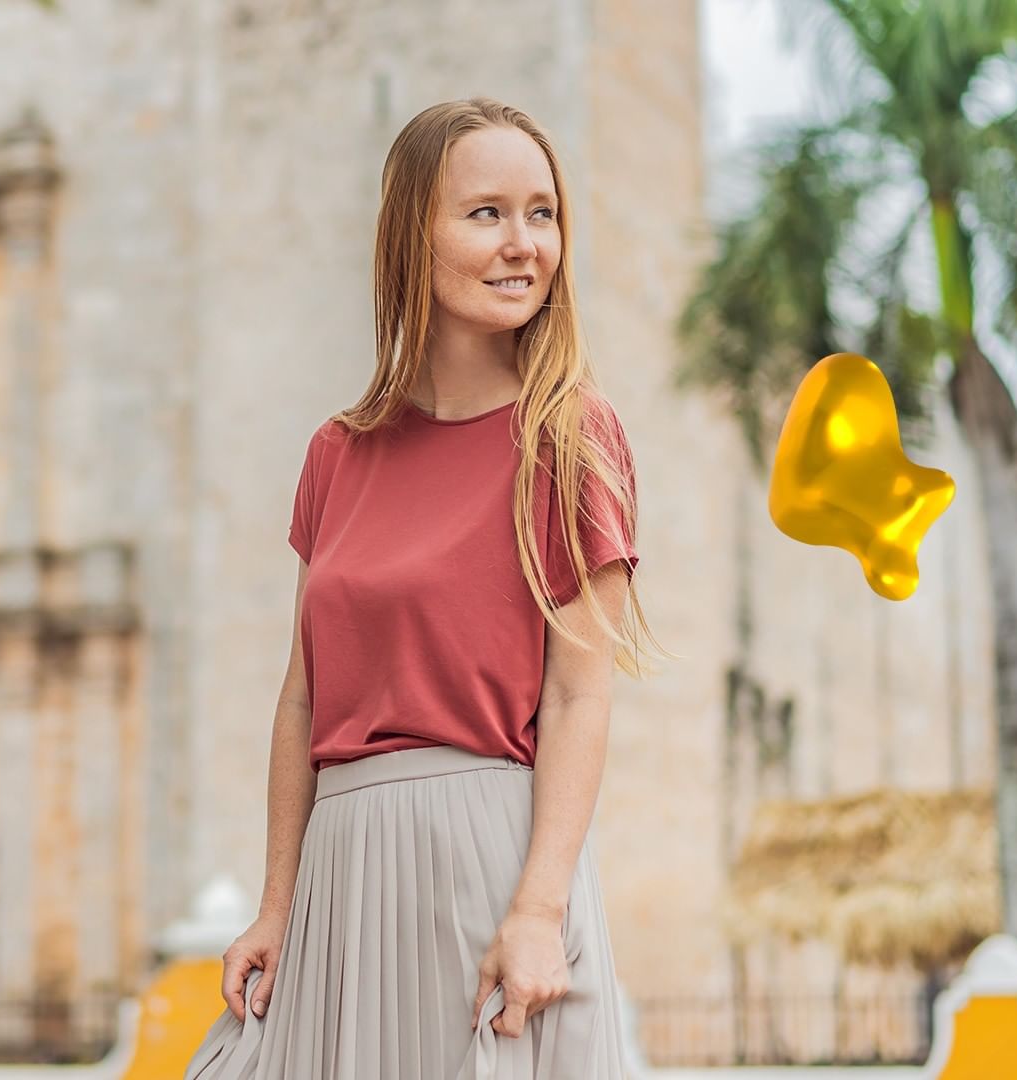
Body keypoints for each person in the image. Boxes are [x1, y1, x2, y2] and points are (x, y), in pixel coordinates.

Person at [184, 96, 663, 1080]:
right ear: (413, 235)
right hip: (339, 878)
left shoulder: (574, 437)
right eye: (486, 212)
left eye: (543, 213)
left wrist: (538, 909)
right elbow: (304, 698)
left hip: (490, 871)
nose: (524, 243)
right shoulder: (337, 455)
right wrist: (277, 903)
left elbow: (578, 695)